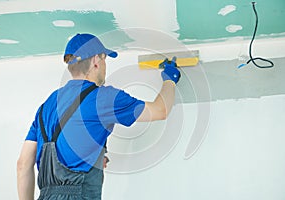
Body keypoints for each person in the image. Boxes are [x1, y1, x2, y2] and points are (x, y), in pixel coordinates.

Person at [17, 33, 180, 200]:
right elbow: (161, 110)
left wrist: (92, 158)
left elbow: (23, 165)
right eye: (104, 59)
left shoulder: (47, 105)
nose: (104, 66)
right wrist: (170, 79)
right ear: (96, 60)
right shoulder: (104, 98)